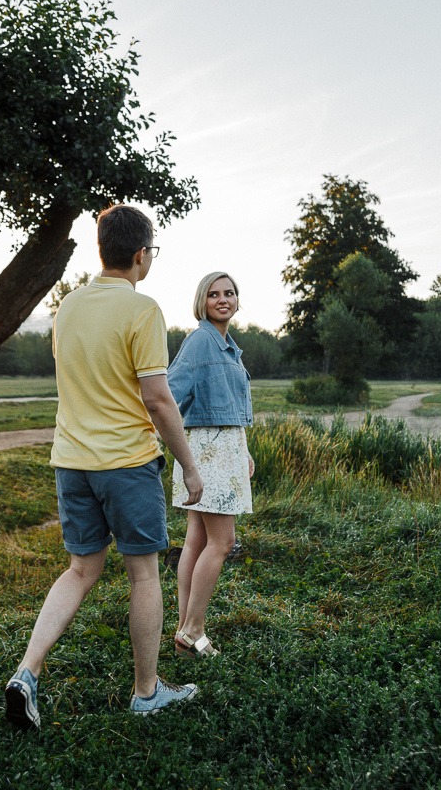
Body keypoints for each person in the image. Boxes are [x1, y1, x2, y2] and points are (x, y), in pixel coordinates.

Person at [4, 205, 205, 730]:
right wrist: (188, 466)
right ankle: (146, 692)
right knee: (143, 573)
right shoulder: (142, 310)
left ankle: (27, 672)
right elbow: (159, 401)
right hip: (126, 464)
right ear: (141, 254)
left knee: (80, 569)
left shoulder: (67, 307)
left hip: (71, 462)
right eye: (152, 252)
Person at [167, 272, 255, 658]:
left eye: (229, 293)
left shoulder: (228, 345)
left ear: (237, 300)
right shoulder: (201, 339)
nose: (223, 299)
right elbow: (169, 391)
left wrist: (243, 449)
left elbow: (231, 405)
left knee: (197, 539)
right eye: (214, 294)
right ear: (202, 301)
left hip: (225, 447)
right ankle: (193, 630)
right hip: (207, 451)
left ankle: (184, 626)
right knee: (222, 541)